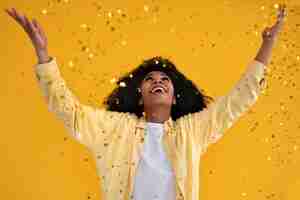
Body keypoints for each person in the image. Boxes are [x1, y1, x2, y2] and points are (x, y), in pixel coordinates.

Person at [5, 5, 286, 200]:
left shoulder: (191, 132)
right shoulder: (115, 129)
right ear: (140, 93)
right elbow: (70, 111)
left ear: (175, 96)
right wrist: (43, 54)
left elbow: (236, 101)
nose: (158, 82)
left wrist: (267, 46)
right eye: (149, 79)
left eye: (164, 79)